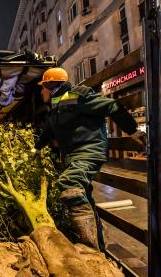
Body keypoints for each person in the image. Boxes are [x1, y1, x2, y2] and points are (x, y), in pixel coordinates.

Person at [33, 67, 146, 251]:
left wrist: (132, 129)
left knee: (70, 182)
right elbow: (49, 129)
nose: (40, 91)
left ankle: (89, 246)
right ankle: (99, 247)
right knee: (84, 197)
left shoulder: (79, 95)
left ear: (50, 84)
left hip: (89, 150)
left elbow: (111, 106)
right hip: (73, 155)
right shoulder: (55, 105)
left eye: (42, 87)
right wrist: (37, 147)